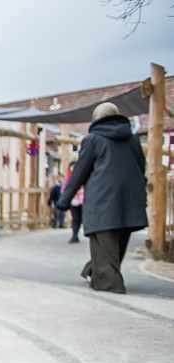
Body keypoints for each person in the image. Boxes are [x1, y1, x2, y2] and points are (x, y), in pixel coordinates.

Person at [57, 102, 147, 294]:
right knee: (115, 249)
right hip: (129, 203)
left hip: (102, 202)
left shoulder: (93, 139)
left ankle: (110, 285)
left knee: (104, 248)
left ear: (96, 119)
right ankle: (94, 272)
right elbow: (141, 168)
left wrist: (64, 199)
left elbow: (80, 172)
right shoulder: (132, 139)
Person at [63, 161, 85, 243]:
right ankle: (75, 235)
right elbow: (64, 188)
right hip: (73, 200)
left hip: (83, 200)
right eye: (71, 167)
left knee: (82, 218)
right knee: (75, 218)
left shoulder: (83, 176)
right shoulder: (68, 178)